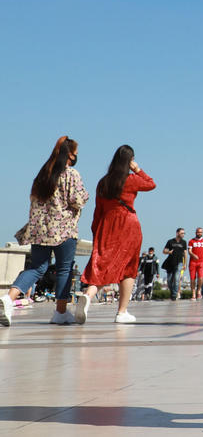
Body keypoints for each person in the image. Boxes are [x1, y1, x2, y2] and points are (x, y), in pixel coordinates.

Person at [2, 136, 88, 326]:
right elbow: (77, 200)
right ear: (69, 155)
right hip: (64, 229)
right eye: (75, 154)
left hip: (40, 229)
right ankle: (61, 312)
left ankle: (8, 298)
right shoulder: (71, 174)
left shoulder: (43, 175)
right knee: (64, 268)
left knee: (36, 268)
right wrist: (85, 195)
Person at [76, 145, 156, 324]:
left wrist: (97, 231)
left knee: (104, 265)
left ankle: (88, 295)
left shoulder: (103, 183)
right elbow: (151, 184)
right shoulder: (131, 179)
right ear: (130, 161)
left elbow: (98, 211)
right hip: (128, 224)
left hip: (107, 225)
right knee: (129, 268)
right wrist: (138, 169)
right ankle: (122, 312)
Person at [162, 228, 188, 301]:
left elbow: (185, 253)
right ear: (177, 233)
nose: (183, 234)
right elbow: (164, 251)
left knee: (176, 279)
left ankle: (174, 295)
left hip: (179, 263)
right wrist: (168, 252)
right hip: (170, 263)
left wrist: (185, 264)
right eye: (182, 233)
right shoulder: (170, 241)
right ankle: (172, 292)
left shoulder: (184, 242)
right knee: (169, 281)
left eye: (184, 233)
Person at [187, 227, 203, 301]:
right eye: (198, 232)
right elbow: (189, 251)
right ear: (196, 232)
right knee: (192, 279)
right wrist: (193, 255)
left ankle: (199, 291)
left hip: (201, 262)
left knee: (201, 278)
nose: (199, 233)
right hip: (192, 262)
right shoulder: (191, 241)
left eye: (201, 232)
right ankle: (193, 294)